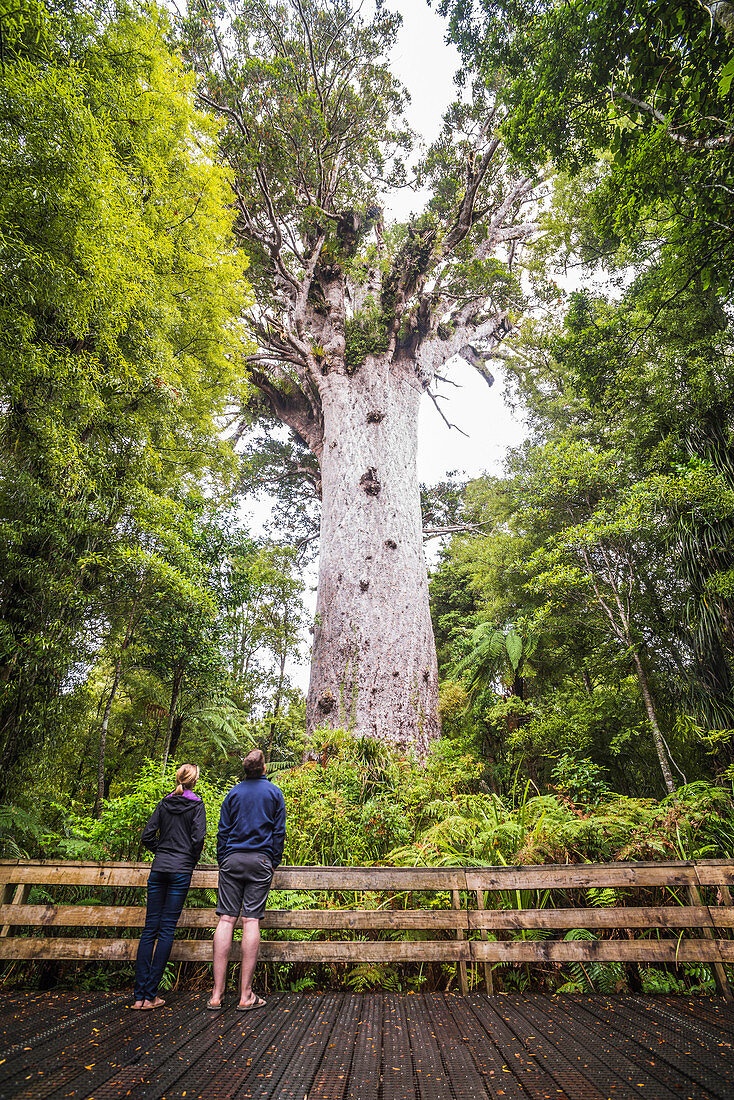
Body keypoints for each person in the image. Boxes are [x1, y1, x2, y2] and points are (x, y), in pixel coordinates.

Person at [207, 748, 286, 1011]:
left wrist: (223, 860)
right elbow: (279, 831)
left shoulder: (233, 793)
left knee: (226, 919)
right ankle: (246, 995)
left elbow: (222, 831)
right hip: (261, 860)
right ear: (264, 768)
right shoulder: (274, 793)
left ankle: (216, 995)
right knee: (250, 919)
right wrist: (273, 861)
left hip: (232, 858)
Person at [132, 763, 206, 1010]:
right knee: (166, 931)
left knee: (149, 929)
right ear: (194, 781)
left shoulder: (164, 803)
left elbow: (147, 836)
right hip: (180, 871)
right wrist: (189, 859)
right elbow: (198, 839)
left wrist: (161, 852)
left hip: (159, 869)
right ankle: (151, 995)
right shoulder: (196, 805)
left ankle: (140, 996)